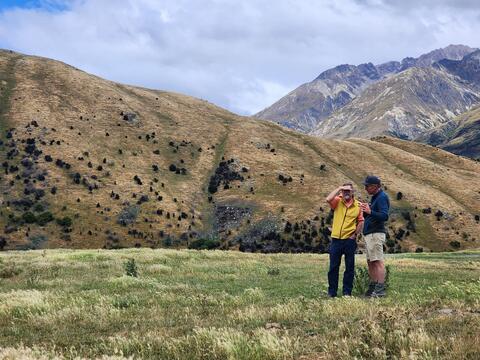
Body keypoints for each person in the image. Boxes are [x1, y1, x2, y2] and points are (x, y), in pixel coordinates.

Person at [325, 183, 364, 297]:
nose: (346, 192)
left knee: (349, 268)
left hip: (349, 241)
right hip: (336, 240)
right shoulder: (337, 201)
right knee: (333, 267)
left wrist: (355, 234)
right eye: (344, 190)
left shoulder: (358, 205)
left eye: (348, 190)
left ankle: (347, 292)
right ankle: (332, 292)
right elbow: (328, 199)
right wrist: (339, 188)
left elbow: (361, 221)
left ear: (353, 192)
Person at [360, 175, 390, 297]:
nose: (365, 188)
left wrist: (370, 211)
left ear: (374, 186)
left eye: (367, 186)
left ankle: (380, 290)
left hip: (376, 233)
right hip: (370, 234)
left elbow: (384, 216)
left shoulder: (382, 197)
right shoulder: (375, 198)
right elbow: (372, 215)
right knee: (371, 262)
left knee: (377, 261)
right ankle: (373, 289)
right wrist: (365, 211)